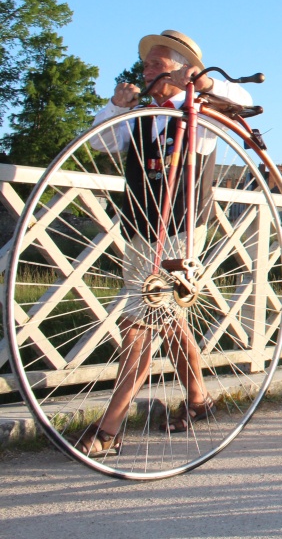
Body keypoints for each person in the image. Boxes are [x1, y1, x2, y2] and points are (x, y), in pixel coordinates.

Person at [73, 30, 252, 457]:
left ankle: (109, 428)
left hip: (179, 232)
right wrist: (116, 106)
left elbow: (244, 101)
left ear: (181, 70)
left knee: (140, 325)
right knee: (169, 322)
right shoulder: (139, 115)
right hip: (139, 230)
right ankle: (199, 400)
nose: (146, 70)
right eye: (146, 64)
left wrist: (206, 83)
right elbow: (99, 142)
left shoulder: (202, 112)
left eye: (156, 64)